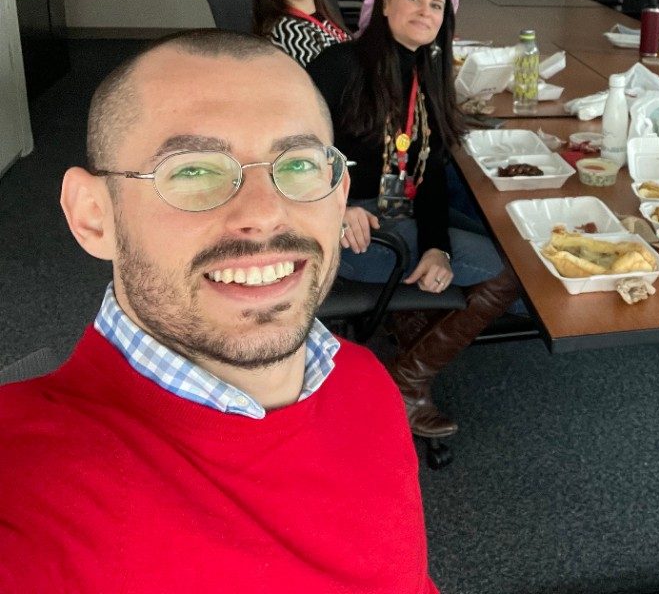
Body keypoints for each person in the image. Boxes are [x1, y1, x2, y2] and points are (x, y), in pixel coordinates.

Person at [0, 31, 439, 593]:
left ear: (339, 193)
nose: (264, 214)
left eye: (299, 164)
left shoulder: (364, 382)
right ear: (93, 216)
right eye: (192, 170)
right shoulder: (25, 488)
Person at [309, 0, 518, 439]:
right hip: (346, 232)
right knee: (507, 271)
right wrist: (334, 203)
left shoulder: (428, 76)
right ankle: (407, 384)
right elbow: (285, 149)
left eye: (437, 5)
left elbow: (431, 180)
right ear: (383, 4)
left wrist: (437, 247)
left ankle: (405, 330)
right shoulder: (339, 66)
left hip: (398, 213)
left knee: (497, 238)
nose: (425, 11)